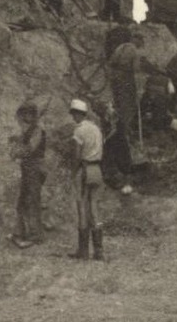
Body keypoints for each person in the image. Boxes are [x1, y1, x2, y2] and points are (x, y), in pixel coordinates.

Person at [67, 99, 106, 261]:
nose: (73, 117)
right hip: (97, 169)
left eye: (73, 114)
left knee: (82, 208)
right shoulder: (96, 128)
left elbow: (76, 156)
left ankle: (83, 251)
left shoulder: (79, 131)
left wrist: (73, 172)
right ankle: (99, 251)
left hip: (85, 170)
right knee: (94, 208)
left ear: (77, 114)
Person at [9, 102, 46, 248]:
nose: (25, 117)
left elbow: (31, 148)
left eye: (28, 114)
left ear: (33, 115)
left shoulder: (37, 130)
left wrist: (16, 152)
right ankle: (21, 232)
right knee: (23, 200)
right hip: (27, 168)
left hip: (35, 167)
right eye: (24, 114)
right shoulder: (29, 130)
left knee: (32, 201)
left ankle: (35, 236)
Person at [107, 42, 140, 141]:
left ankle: (116, 129)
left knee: (118, 105)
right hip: (126, 79)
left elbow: (110, 62)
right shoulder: (134, 50)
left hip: (115, 78)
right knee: (127, 106)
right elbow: (136, 68)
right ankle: (124, 133)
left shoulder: (120, 47)